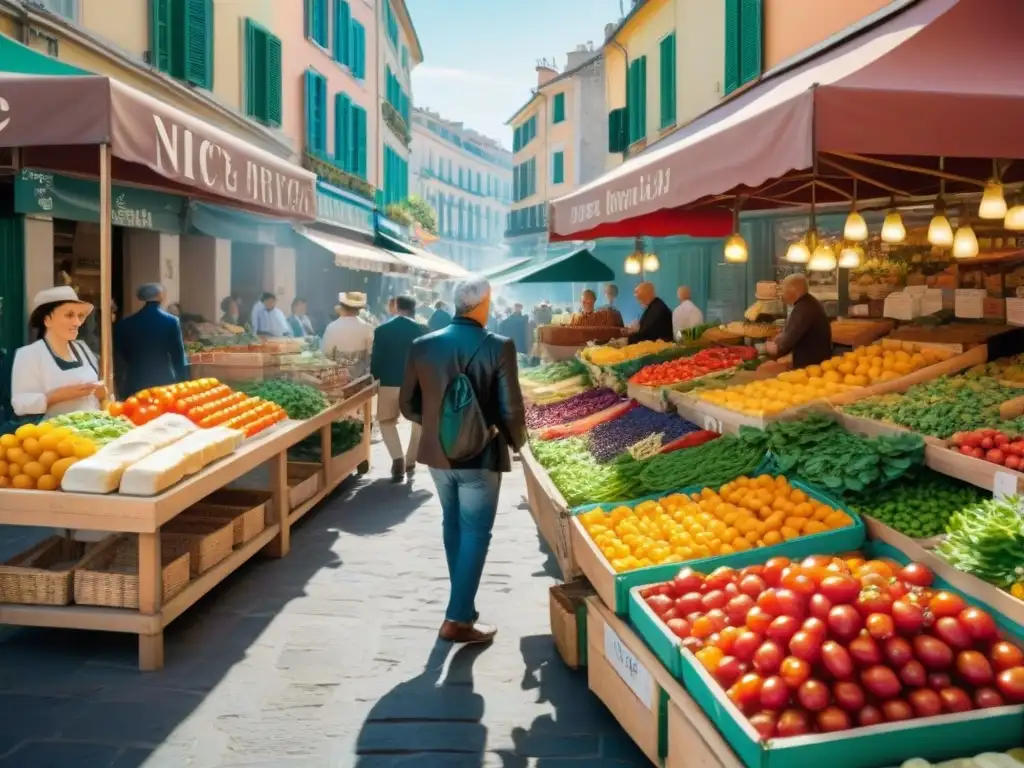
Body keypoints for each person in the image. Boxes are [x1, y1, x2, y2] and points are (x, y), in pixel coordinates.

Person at [400, 275, 527, 644]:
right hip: (480, 456)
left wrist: (442, 428)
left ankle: (464, 607)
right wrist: (521, 446)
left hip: (437, 457)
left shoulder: (422, 345)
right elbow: (511, 409)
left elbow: (408, 403)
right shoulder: (499, 346)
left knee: (453, 523)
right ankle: (457, 619)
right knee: (475, 531)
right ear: (485, 303)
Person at [10, 286, 106, 421]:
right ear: (47, 320)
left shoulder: (83, 349)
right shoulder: (29, 355)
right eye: (69, 315)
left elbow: (99, 393)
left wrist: (101, 392)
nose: (77, 322)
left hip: (93, 428)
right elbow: (20, 404)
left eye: (80, 316)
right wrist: (56, 396)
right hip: (54, 435)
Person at [371, 295, 427, 481]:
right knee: (418, 422)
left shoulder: (382, 330)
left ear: (396, 306)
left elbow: (376, 361)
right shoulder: (422, 330)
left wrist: (376, 376)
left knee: (387, 421)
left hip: (388, 382)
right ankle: (411, 460)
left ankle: (397, 459)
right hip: (416, 384)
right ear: (413, 308)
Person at [113, 283, 189, 399]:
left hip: (135, 377)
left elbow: (120, 354)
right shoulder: (171, 321)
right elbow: (177, 354)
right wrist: (183, 380)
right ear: (160, 296)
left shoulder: (126, 323)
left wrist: (119, 383)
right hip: (163, 377)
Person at [765, 273, 833, 369]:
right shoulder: (808, 303)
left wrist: (769, 347)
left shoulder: (804, 308)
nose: (781, 294)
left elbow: (782, 348)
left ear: (793, 289)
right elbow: (794, 334)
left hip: (811, 368)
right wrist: (782, 337)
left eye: (782, 289)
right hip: (815, 364)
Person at [322, 292, 374, 377]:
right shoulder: (367, 328)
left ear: (341, 306)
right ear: (359, 309)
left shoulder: (331, 327)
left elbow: (325, 353)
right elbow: (370, 355)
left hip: (335, 379)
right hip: (359, 380)